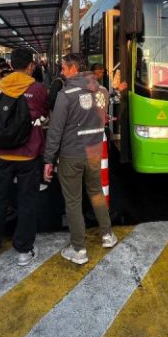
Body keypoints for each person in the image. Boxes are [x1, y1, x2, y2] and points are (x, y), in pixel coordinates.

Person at [43, 53, 117, 265]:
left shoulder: (66, 95)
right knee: (96, 192)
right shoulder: (102, 91)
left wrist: (48, 159)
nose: (62, 72)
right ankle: (107, 235)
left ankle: (79, 249)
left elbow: (55, 130)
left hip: (71, 154)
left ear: (74, 68)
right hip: (94, 153)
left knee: (73, 202)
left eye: (64, 68)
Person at [0, 48, 49, 267]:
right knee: (27, 202)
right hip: (28, 153)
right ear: (31, 66)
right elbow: (43, 113)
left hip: (1, 152)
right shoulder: (37, 88)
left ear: (11, 65)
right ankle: (23, 250)